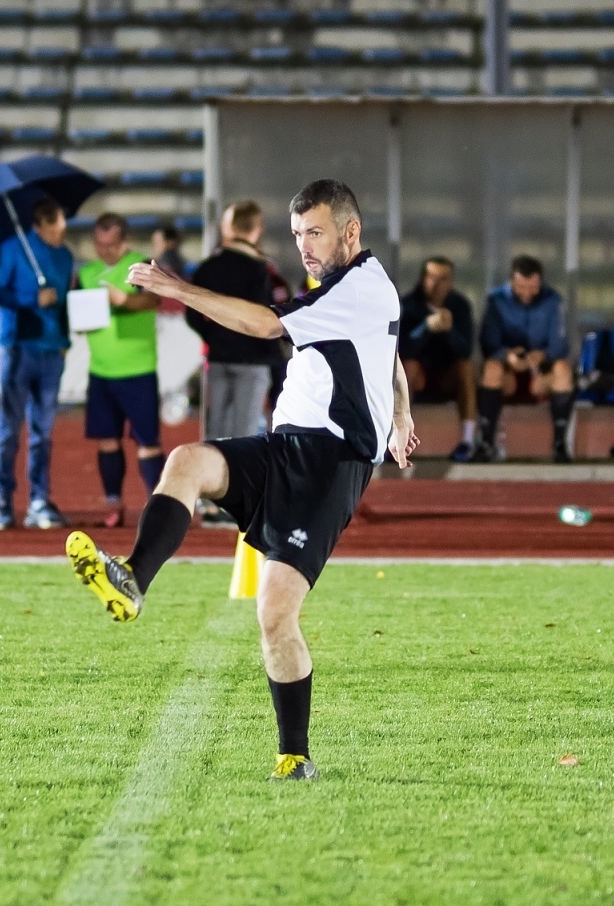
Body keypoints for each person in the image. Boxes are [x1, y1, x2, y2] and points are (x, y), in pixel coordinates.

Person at [66, 178, 417, 782]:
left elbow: (263, 326)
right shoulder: (355, 285)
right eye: (298, 233)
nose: (304, 245)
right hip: (285, 447)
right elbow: (388, 351)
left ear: (351, 232)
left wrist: (178, 289)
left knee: (275, 615)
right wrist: (403, 413)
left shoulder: (358, 287)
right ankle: (133, 580)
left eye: (316, 233)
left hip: (330, 465)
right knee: (187, 461)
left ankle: (295, 755)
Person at [186, 200, 291, 527]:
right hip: (253, 360)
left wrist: (213, 336)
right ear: (257, 229)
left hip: (218, 359)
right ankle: (235, 505)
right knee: (244, 434)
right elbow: (272, 314)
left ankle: (209, 501)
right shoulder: (262, 269)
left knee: (215, 431)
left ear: (228, 227)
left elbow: (192, 309)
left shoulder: (210, 266)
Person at [0, 196, 75, 531]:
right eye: (55, 230)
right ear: (38, 226)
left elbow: (65, 301)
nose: (60, 236)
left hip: (52, 352)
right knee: (9, 430)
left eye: (63, 229)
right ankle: (4, 502)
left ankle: (38, 499)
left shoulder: (65, 256)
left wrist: (65, 340)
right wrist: (29, 299)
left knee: (43, 433)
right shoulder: (11, 249)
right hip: (18, 349)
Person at [79, 213, 165, 529]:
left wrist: (123, 300)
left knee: (148, 442)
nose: (105, 250)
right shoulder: (86, 273)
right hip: (101, 371)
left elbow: (153, 300)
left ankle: (159, 507)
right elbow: (78, 314)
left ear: (125, 241)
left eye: (111, 244)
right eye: (99, 244)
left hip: (138, 370)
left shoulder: (140, 266)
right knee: (107, 442)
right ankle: (113, 505)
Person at [475, 255, 571, 463]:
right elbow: (488, 341)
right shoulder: (496, 300)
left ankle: (560, 444)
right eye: (521, 287)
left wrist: (543, 355)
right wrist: (507, 355)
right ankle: (486, 442)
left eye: (533, 287)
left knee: (563, 369)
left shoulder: (553, 300)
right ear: (511, 281)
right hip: (508, 373)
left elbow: (561, 343)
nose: (527, 293)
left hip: (540, 373)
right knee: (491, 368)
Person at [399, 256, 477, 461]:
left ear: (451, 282)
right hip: (419, 376)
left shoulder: (460, 305)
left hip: (447, 377)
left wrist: (449, 330)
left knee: (466, 367)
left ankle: (468, 441)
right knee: (407, 367)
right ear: (422, 279)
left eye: (443, 279)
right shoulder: (407, 305)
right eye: (431, 277)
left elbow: (466, 350)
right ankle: (399, 438)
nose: (437, 284)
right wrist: (426, 328)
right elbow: (402, 349)